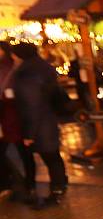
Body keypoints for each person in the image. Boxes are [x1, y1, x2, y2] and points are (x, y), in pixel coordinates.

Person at [11, 42, 67, 209]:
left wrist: (29, 134)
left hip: (40, 125)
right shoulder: (43, 67)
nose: (12, 57)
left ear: (20, 55)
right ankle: (59, 187)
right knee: (54, 157)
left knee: (50, 158)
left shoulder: (27, 73)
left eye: (15, 54)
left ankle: (56, 192)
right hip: (48, 120)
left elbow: (31, 105)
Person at [0, 41, 35, 203]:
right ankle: (12, 183)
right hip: (6, 119)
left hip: (17, 117)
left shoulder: (16, 69)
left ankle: (28, 185)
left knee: (25, 153)